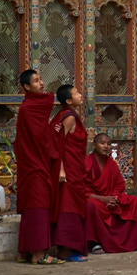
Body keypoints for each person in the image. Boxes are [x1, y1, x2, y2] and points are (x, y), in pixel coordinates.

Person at [13, 69, 62, 265]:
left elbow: (40, 133)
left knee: (31, 207)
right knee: (38, 206)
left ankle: (24, 251)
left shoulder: (30, 107)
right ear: (26, 87)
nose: (41, 83)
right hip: (34, 164)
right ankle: (38, 254)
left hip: (32, 162)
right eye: (35, 81)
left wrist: (50, 131)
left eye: (41, 79)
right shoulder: (29, 109)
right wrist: (53, 134)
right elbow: (39, 138)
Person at [85, 133, 137, 254]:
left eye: (109, 143)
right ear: (94, 145)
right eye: (102, 143)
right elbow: (82, 190)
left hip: (110, 198)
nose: (106, 146)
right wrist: (104, 199)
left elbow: (119, 185)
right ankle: (95, 242)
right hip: (95, 199)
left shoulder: (111, 164)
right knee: (91, 205)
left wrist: (114, 198)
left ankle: (132, 241)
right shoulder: (86, 163)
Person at [51, 83, 89, 261]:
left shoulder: (67, 115)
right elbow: (58, 143)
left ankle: (69, 249)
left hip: (75, 167)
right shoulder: (69, 117)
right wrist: (61, 170)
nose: (80, 95)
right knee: (69, 207)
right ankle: (65, 251)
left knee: (73, 205)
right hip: (68, 170)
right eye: (76, 93)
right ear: (68, 100)